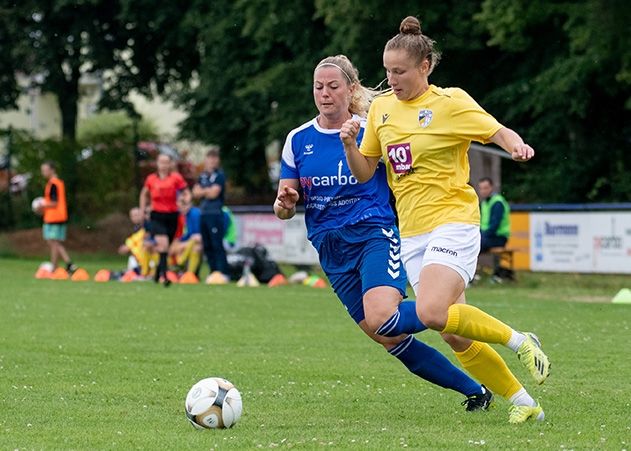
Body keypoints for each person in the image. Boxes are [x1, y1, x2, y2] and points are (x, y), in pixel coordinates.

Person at [342, 17, 550, 423]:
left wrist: (517, 144)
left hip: (454, 219)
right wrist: (351, 143)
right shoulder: (382, 108)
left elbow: (495, 131)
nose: (391, 79)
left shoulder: (449, 102)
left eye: (399, 71)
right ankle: (526, 405)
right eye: (386, 70)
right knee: (453, 333)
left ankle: (521, 340)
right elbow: (366, 170)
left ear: (425, 66)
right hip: (414, 231)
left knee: (434, 311)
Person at [274, 54, 493, 412]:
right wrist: (285, 202)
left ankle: (440, 309)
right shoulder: (298, 140)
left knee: (384, 316)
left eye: (333, 86)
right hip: (330, 248)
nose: (325, 94)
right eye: (318, 87)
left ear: (351, 89)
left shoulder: (372, 127)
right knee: (387, 336)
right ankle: (476, 392)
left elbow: (412, 163)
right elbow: (283, 207)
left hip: (374, 234)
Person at [139, 153, 189, 286]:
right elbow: (144, 194)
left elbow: (186, 192)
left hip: (172, 216)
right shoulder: (151, 179)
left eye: (166, 162)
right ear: (157, 163)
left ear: (170, 164)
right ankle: (164, 276)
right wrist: (142, 210)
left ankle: (157, 272)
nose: (164, 165)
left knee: (165, 248)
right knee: (163, 244)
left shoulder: (176, 178)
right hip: (157, 215)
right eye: (161, 162)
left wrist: (185, 200)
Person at [193, 148, 229, 282]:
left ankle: (223, 272)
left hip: (215, 213)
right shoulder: (202, 176)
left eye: (215, 158)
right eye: (210, 158)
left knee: (216, 244)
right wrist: (206, 191)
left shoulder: (219, 175)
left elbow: (214, 193)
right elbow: (195, 193)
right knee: (207, 245)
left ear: (217, 160)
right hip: (203, 213)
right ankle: (213, 271)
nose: (212, 161)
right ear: (206, 160)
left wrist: (203, 191)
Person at [39, 161, 77, 273]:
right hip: (59, 216)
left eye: (45, 170)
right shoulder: (57, 183)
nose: (43, 173)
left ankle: (54, 267)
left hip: (54, 218)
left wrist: (41, 205)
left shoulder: (53, 184)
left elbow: (54, 203)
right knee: (55, 243)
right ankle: (69, 264)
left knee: (53, 243)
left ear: (52, 170)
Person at [118, 207, 157, 277]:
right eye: (133, 216)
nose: (135, 217)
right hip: (139, 257)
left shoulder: (148, 227)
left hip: (149, 257)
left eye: (137, 215)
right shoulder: (135, 229)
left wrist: (129, 247)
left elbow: (146, 242)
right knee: (132, 258)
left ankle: (146, 273)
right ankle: (135, 272)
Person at [169, 195, 202, 276]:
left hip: (198, 242)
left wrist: (183, 244)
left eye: (182, 207)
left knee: (196, 247)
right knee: (172, 247)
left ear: (189, 204)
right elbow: (182, 235)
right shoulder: (182, 215)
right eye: (178, 207)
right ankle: (177, 271)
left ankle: (187, 272)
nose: (180, 209)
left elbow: (198, 236)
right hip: (188, 241)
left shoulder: (195, 213)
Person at [478, 177, 511, 252]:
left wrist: (481, 235)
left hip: (499, 237)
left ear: (491, 187)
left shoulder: (497, 202)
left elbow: (494, 225)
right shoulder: (484, 203)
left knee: (474, 244)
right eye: (481, 188)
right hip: (487, 236)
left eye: (486, 188)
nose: (483, 191)